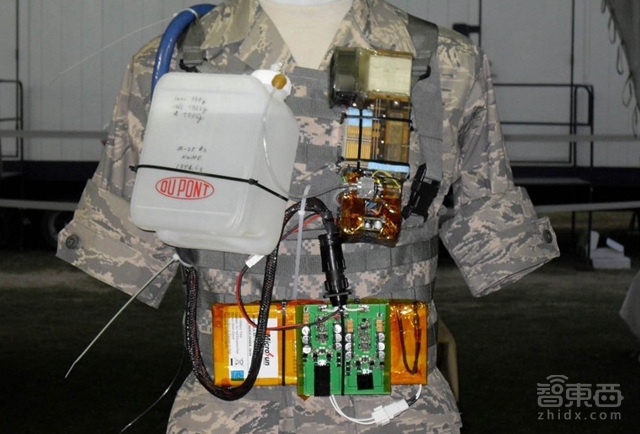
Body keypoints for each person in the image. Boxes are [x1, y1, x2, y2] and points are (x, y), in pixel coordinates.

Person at [57, 0, 560, 432]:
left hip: (396, 412)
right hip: (229, 413)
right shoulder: (172, 66)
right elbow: (122, 245)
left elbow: (496, 241)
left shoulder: (444, 66)